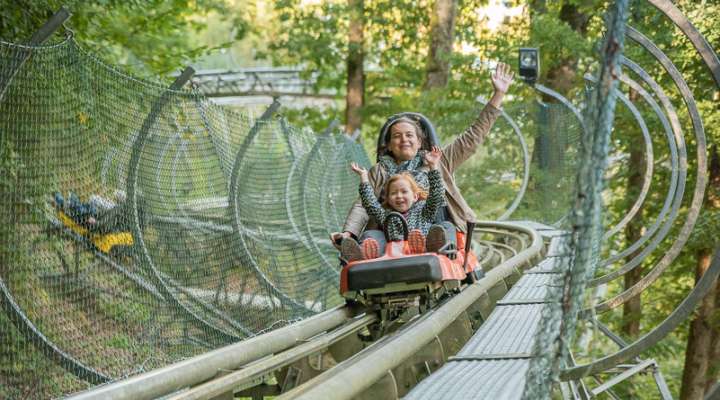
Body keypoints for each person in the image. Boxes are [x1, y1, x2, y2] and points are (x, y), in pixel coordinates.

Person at [331, 62, 514, 255]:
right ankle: (359, 253)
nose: (404, 140)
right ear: (389, 145)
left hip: (432, 227)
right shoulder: (379, 171)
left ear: (419, 142)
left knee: (444, 230)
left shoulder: (438, 160)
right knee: (371, 238)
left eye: (409, 135)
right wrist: (348, 234)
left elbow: (472, 138)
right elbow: (363, 204)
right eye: (397, 136)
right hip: (390, 232)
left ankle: (438, 250)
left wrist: (498, 95)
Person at [342, 146, 446, 261]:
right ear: (389, 199)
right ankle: (362, 255)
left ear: (415, 196)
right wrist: (364, 177)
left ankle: (425, 247)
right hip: (393, 253)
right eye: (394, 193)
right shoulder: (387, 216)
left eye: (404, 192)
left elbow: (436, 195)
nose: (399, 196)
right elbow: (371, 205)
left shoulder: (424, 211)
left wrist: (433, 166)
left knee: (438, 229)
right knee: (371, 235)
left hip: (422, 249)